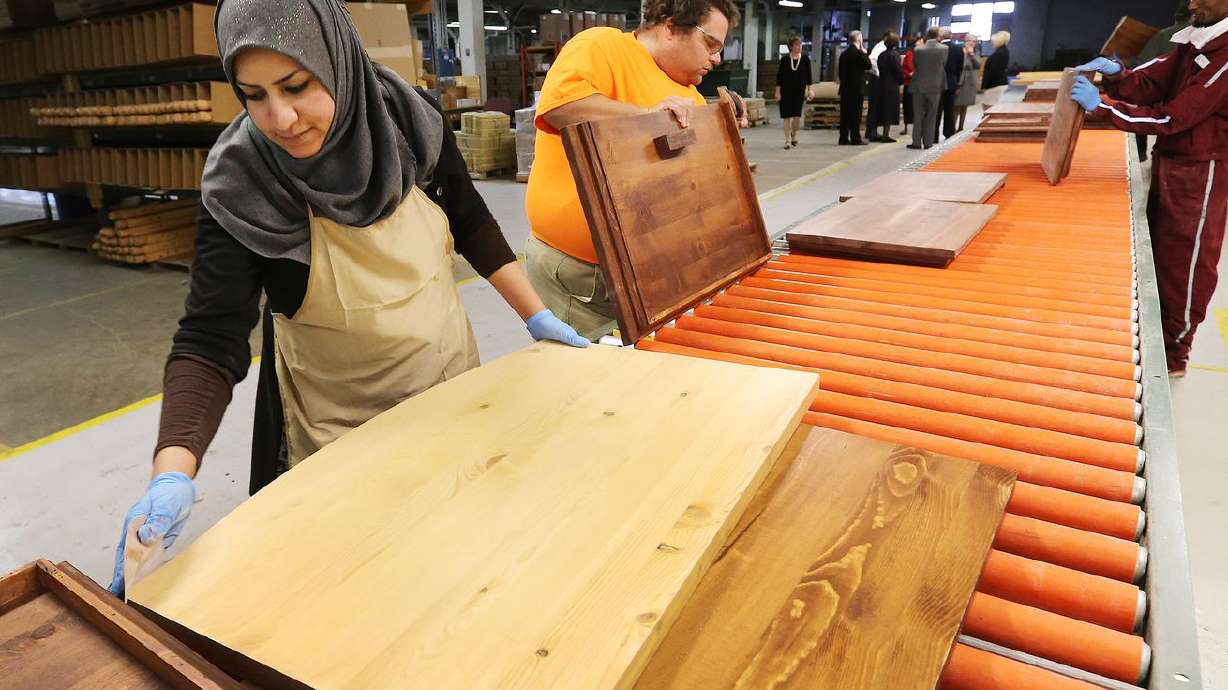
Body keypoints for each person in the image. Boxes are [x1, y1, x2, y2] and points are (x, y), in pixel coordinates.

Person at [105, 0, 589, 597]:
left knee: (461, 562)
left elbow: (469, 219)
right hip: (336, 423)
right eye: (253, 95)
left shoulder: (408, 124)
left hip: (446, 386)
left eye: (296, 85)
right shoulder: (241, 184)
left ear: (335, 61)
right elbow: (211, 338)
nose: (280, 118)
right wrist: (171, 473)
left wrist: (536, 314)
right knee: (366, 584)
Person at [523, 0, 738, 341]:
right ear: (670, 28)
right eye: (711, 45)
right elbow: (561, 108)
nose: (717, 59)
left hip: (647, 277)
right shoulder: (602, 47)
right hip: (582, 279)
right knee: (582, 381)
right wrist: (646, 117)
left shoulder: (690, 97)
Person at [1070, 0, 1228, 377]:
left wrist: (1103, 109)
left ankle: (1175, 351)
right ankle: (1156, 331)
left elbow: (1174, 116)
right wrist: (1116, 75)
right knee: (1158, 251)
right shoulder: (1194, 44)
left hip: (1201, 171)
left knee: (1185, 260)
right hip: (1171, 162)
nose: (1192, 4)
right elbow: (1148, 82)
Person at [1131, 2, 1192, 161]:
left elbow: (1142, 65)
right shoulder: (1209, 38)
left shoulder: (1163, 35)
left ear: (1176, 18)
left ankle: (1141, 154)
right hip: (1192, 98)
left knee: (1143, 108)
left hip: (1161, 96)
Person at [910, 27, 948, 150]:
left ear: (927, 35)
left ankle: (916, 142)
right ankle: (928, 142)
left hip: (919, 85)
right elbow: (943, 64)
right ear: (938, 35)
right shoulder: (944, 49)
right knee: (932, 115)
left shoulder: (918, 49)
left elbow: (915, 64)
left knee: (918, 114)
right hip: (935, 86)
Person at [776, 36, 813, 149]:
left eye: (800, 45)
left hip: (799, 91)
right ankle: (787, 140)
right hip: (786, 91)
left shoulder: (805, 59)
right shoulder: (785, 59)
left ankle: (794, 134)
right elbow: (779, 77)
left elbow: (809, 76)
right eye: (796, 45)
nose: (799, 47)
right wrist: (778, 92)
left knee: (797, 116)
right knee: (786, 116)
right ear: (791, 47)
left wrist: (810, 89)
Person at [838, 30, 872, 146]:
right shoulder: (858, 53)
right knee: (855, 114)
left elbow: (840, 72)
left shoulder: (844, 54)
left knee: (845, 114)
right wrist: (864, 52)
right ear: (858, 39)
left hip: (845, 89)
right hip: (857, 89)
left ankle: (843, 138)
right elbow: (868, 65)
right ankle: (855, 138)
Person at [871, 31, 904, 143]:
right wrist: (901, 81)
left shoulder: (881, 55)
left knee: (880, 108)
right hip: (891, 85)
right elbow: (898, 71)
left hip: (881, 83)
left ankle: (874, 132)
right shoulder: (895, 55)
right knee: (889, 110)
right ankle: (885, 135)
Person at [934, 27, 964, 142]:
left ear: (940, 36)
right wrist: (957, 83)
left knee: (936, 110)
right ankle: (949, 134)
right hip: (952, 82)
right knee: (949, 109)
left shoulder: (937, 48)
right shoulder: (958, 48)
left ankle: (934, 136)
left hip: (937, 82)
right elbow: (960, 68)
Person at [955, 34, 981, 131]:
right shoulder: (959, 50)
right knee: (956, 105)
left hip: (970, 81)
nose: (972, 43)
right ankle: (952, 128)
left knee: (965, 105)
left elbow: (978, 65)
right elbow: (960, 65)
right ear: (965, 41)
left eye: (975, 41)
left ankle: (961, 127)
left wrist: (972, 55)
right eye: (971, 41)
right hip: (960, 80)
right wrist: (966, 54)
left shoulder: (975, 52)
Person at [865, 35, 887, 142]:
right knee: (874, 106)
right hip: (876, 79)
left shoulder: (882, 47)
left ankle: (871, 130)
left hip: (877, 78)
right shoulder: (880, 47)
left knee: (876, 107)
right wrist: (878, 73)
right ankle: (871, 131)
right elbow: (872, 59)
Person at [981, 30, 1012, 106]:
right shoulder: (1003, 51)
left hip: (995, 83)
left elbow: (993, 70)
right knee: (988, 105)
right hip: (998, 82)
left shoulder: (1000, 53)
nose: (992, 43)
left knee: (988, 106)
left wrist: (985, 84)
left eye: (993, 41)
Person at [901, 35, 921, 136]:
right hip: (909, 82)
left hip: (919, 83)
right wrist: (909, 73)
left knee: (917, 106)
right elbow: (904, 67)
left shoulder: (922, 53)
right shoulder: (909, 54)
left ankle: (916, 126)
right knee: (907, 105)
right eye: (919, 41)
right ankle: (905, 126)